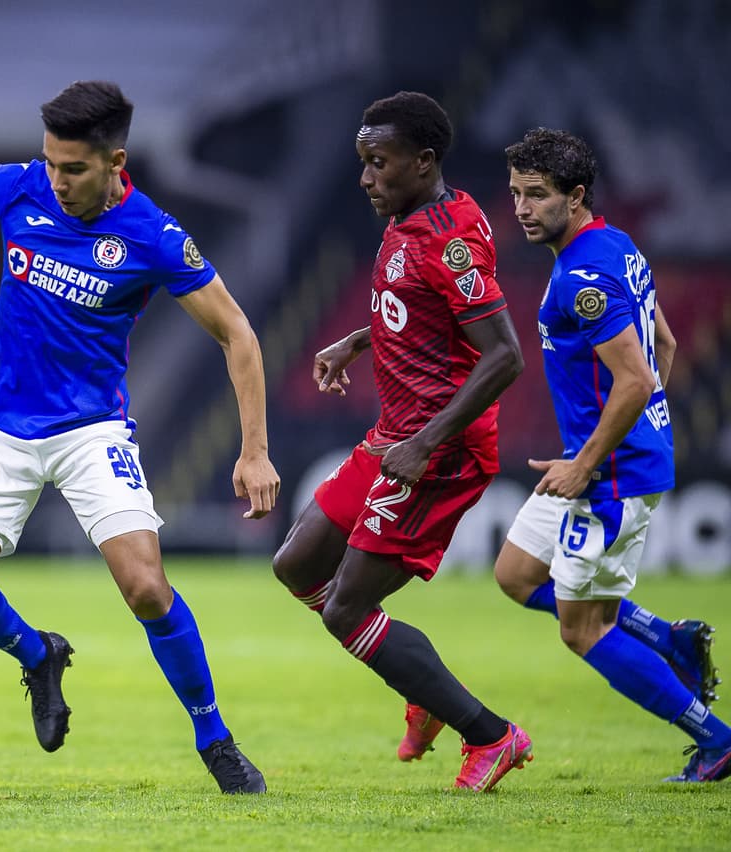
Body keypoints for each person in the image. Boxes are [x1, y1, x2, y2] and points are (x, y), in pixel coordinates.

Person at [0, 80, 280, 793]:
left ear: (115, 161)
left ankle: (215, 739)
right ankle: (36, 654)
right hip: (0, 428)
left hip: (90, 429)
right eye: (50, 162)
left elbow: (237, 333)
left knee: (146, 588)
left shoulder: (153, 235)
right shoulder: (16, 186)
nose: (57, 180)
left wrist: (253, 450)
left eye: (73, 168)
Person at [272, 91, 532, 792]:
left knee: (346, 611)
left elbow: (504, 355)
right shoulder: (409, 218)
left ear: (423, 162)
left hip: (439, 450)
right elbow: (423, 308)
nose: (365, 177)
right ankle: (423, 688)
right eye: (363, 162)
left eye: (378, 163)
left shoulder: (449, 241)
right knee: (297, 564)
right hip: (395, 435)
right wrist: (360, 339)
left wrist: (425, 444)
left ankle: (492, 735)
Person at [492, 127, 729, 783]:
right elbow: (664, 345)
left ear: (576, 196)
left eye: (537, 195)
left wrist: (590, 460)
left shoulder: (584, 274)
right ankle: (668, 637)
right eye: (515, 194)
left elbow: (636, 378)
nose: (522, 208)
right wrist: (632, 431)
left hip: (608, 474)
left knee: (582, 630)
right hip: (607, 458)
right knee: (516, 573)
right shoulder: (615, 245)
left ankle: (716, 740)